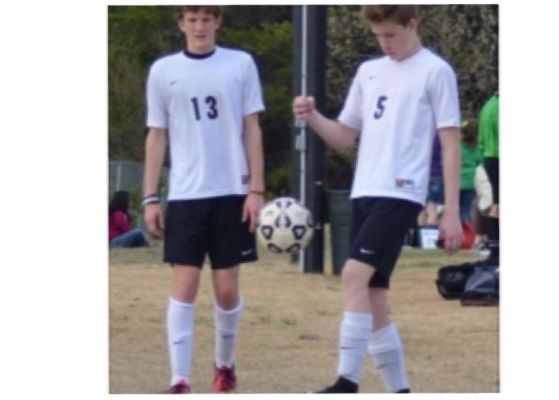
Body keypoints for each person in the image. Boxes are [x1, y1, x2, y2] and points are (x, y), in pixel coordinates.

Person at [292, 5, 463, 393]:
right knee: (372, 294)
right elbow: (345, 137)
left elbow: (450, 143)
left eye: (392, 35)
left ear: (412, 24)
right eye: (379, 36)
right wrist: (313, 117)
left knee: (353, 275)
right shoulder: (368, 72)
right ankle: (399, 389)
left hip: (400, 191)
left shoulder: (435, 71)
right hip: (364, 190)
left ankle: (346, 381)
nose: (385, 43)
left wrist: (451, 211)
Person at [143, 5, 266, 394]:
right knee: (185, 284)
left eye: (206, 19)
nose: (199, 27)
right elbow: (157, 135)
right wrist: (150, 197)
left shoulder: (240, 64)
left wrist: (256, 189)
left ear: (217, 22)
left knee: (226, 289)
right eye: (191, 19)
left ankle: (224, 366)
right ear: (181, 23)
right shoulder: (163, 71)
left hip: (232, 191)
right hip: (186, 193)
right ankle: (179, 379)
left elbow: (252, 129)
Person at [477, 92, 499, 263]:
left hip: (488, 156)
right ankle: (495, 249)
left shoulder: (489, 103)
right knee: (498, 205)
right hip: (497, 156)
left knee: (496, 204)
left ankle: (494, 247)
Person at [459, 119, 480, 223]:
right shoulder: (475, 147)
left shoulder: (456, 147)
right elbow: (479, 163)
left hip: (456, 183)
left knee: (455, 210)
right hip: (471, 183)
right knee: (466, 210)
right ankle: (467, 234)